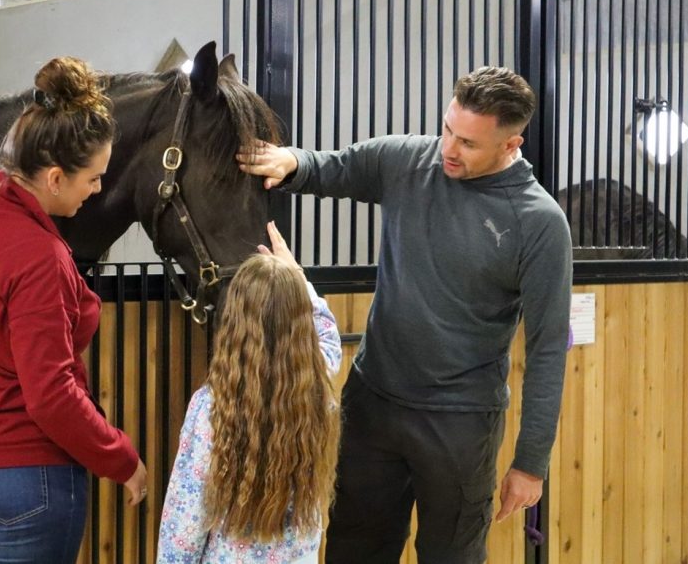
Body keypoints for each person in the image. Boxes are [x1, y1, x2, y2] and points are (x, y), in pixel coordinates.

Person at [237, 66, 572, 563]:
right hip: (374, 404)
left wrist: (530, 463)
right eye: (448, 129)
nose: (450, 150)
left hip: (461, 423)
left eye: (469, 143)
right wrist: (292, 160)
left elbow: (547, 349)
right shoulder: (408, 160)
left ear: (510, 143)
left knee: (450, 556)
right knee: (354, 547)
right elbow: (336, 166)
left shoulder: (538, 222)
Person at [0, 57, 146, 564]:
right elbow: (50, 394)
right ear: (56, 177)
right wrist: (120, 458)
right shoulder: (40, 256)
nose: (98, 190)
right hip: (18, 477)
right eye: (93, 178)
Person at [156, 221, 343, 564]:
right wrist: (298, 277)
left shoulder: (213, 408)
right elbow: (328, 337)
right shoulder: (319, 396)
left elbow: (184, 521)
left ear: (235, 323)